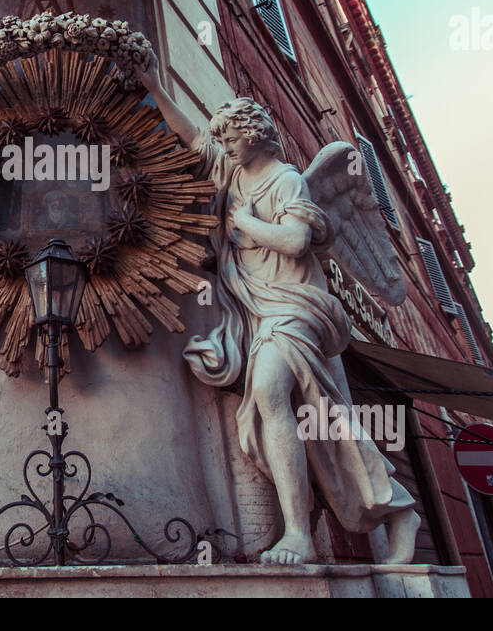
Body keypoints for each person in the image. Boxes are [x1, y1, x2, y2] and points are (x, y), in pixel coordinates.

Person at [139, 57, 420, 565]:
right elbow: (193, 140)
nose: (222, 144)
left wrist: (245, 224)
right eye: (222, 138)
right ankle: (389, 510)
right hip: (257, 310)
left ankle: (298, 534)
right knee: (320, 418)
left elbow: (295, 240)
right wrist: (154, 84)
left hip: (298, 307)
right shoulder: (232, 169)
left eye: (230, 137)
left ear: (254, 133)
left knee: (270, 393)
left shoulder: (288, 180)